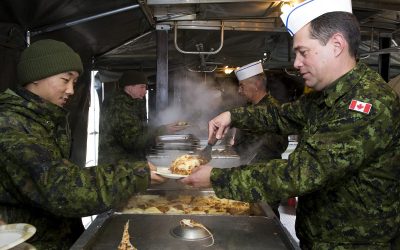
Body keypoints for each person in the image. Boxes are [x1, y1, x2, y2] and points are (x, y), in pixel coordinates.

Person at [182, 0, 400, 248]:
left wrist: (217, 178)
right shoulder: (326, 95)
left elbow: (299, 173)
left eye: (303, 52)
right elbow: (280, 116)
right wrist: (233, 116)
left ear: (337, 45)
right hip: (321, 238)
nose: (296, 63)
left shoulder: (365, 103)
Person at [0, 39, 164, 250]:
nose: (71, 90)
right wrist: (135, 174)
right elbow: (61, 188)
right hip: (28, 242)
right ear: (35, 78)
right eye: (65, 80)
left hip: (56, 236)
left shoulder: (46, 118)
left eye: (75, 83)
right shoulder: (10, 123)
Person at [98, 70, 185, 163]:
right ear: (129, 87)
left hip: (128, 163)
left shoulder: (134, 101)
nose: (145, 91)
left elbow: (140, 129)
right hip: (117, 165)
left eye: (146, 87)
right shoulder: (118, 104)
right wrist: (162, 130)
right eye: (142, 87)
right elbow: (132, 139)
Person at [231, 60, 288, 164]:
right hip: (246, 167)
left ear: (256, 84)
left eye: (242, 86)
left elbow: (279, 145)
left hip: (265, 171)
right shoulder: (248, 107)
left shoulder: (273, 109)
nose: (239, 91)